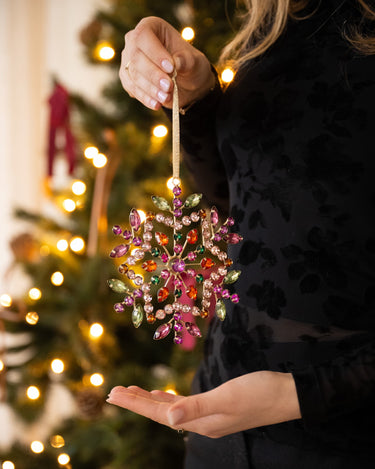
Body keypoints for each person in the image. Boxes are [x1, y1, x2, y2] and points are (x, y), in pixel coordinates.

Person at [106, 0, 375, 467]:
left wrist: (298, 395)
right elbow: (245, 202)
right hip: (219, 420)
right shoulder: (276, 24)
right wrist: (197, 94)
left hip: (343, 441)